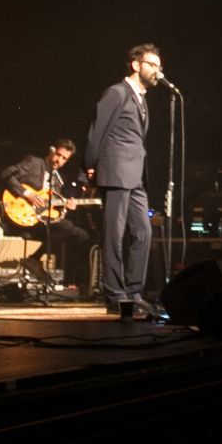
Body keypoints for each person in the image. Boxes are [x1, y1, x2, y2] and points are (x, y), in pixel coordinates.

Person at [86, 43, 164, 320]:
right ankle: (115, 295)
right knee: (113, 235)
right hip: (116, 173)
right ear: (136, 65)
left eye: (159, 66)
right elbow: (98, 131)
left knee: (143, 232)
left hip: (135, 176)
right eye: (152, 65)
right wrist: (89, 168)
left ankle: (133, 292)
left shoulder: (141, 99)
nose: (158, 70)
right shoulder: (117, 92)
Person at [0, 138, 92, 294]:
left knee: (80, 235)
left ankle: (71, 280)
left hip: (39, 220)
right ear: (51, 151)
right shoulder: (34, 163)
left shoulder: (58, 181)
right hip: (19, 213)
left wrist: (67, 206)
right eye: (58, 155)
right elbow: (6, 174)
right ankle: (34, 259)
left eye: (64, 159)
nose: (59, 160)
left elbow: (53, 211)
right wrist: (26, 193)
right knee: (67, 227)